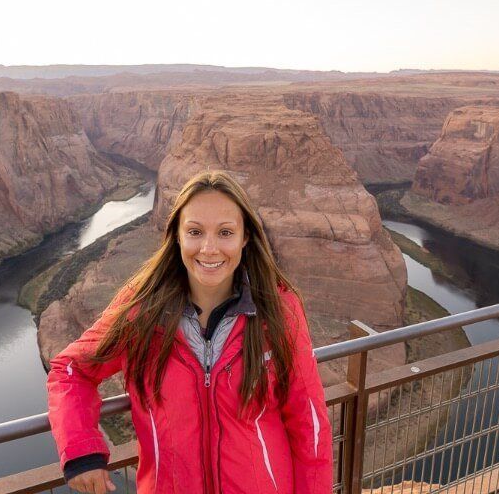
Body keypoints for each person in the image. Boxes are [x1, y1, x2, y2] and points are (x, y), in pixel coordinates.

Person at [47, 170, 332, 494]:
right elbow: (70, 370)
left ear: (245, 237)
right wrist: (82, 449)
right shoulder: (141, 310)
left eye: (225, 232)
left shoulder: (279, 310)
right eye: (195, 231)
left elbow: (310, 427)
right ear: (177, 236)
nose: (209, 249)